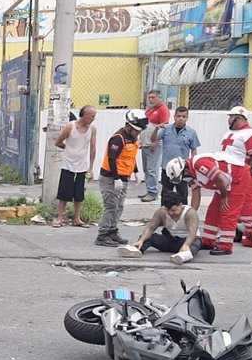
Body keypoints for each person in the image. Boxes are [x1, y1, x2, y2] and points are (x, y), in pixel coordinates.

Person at [172, 152, 247, 256]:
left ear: (184, 170)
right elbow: (196, 195)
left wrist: (224, 197)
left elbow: (219, 178)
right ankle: (208, 241)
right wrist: (191, 214)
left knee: (228, 212)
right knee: (213, 211)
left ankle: (226, 246)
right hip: (224, 185)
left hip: (238, 177)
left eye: (182, 176)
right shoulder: (191, 175)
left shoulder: (199, 164)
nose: (184, 179)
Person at [95, 109, 146, 247]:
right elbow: (112, 159)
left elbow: (129, 156)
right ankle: (102, 234)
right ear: (128, 126)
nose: (138, 133)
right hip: (111, 178)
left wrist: (136, 171)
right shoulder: (118, 138)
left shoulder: (133, 138)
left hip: (124, 177)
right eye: (136, 130)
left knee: (119, 206)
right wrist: (116, 178)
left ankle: (112, 231)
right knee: (111, 206)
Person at [220, 106, 252, 241]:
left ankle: (247, 230)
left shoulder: (251, 133)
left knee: (248, 201)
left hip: (245, 173)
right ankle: (233, 229)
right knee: (231, 201)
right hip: (230, 173)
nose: (228, 120)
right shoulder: (230, 133)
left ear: (237, 118)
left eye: (230, 117)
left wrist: (249, 169)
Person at [53, 106, 98, 228]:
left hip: (81, 165)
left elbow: (93, 148)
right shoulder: (70, 127)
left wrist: (91, 167)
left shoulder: (92, 129)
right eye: (91, 116)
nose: (93, 119)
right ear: (84, 115)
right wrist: (68, 149)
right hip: (68, 164)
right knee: (64, 192)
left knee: (79, 194)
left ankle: (77, 219)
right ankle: (60, 218)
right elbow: (58, 142)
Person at [131, 192, 199, 257]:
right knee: (149, 237)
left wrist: (186, 245)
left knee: (195, 243)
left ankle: (184, 256)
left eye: (173, 210)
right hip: (171, 240)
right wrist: (141, 240)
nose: (170, 213)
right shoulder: (161, 212)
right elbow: (150, 228)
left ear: (180, 205)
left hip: (187, 240)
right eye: (168, 210)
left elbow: (192, 232)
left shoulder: (190, 213)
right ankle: (136, 249)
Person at [159, 106, 200, 204]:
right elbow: (153, 140)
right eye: (178, 116)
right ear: (174, 117)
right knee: (166, 193)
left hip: (182, 168)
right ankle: (164, 215)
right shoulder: (166, 129)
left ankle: (183, 216)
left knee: (182, 194)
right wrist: (157, 129)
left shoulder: (191, 132)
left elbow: (194, 150)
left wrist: (192, 167)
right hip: (167, 167)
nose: (181, 118)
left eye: (183, 116)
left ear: (187, 118)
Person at [137, 89, 170, 203]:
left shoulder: (162, 110)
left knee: (152, 169)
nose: (151, 99)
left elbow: (164, 126)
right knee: (146, 169)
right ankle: (149, 190)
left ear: (159, 97)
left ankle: (153, 192)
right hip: (145, 142)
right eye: (149, 97)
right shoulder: (149, 110)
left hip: (153, 143)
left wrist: (155, 141)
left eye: (153, 97)